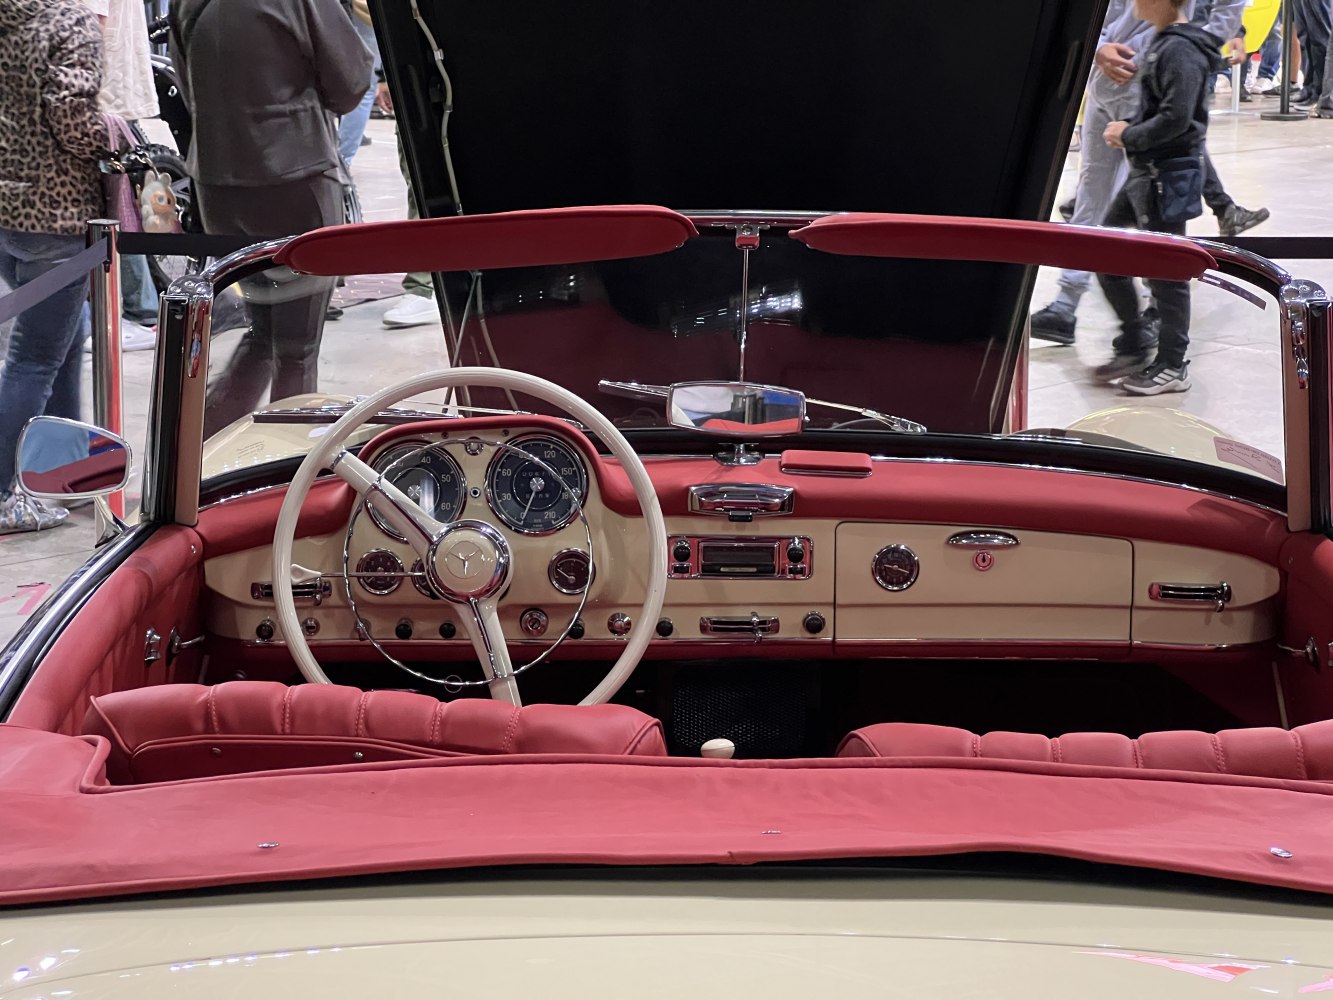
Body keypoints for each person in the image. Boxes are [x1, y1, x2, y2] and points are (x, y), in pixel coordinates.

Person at [168, 0, 372, 438]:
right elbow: (351, 81)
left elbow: (187, 87)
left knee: (262, 331)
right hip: (296, 174)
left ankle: (199, 450)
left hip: (217, 180)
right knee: (297, 348)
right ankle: (285, 463)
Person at [1030, 0, 1265, 347]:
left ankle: (1155, 313)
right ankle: (1068, 304)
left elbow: (1230, 6)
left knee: (1153, 208)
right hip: (1102, 85)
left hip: (1151, 88)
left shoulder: (1174, 49)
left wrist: (1187, 46)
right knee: (1093, 194)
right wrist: (1097, 47)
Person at [0, 0, 110, 533]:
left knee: (66, 337)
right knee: (35, 358)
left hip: (8, 208)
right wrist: (116, 135)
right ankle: (3, 494)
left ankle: (68, 472)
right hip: (55, 211)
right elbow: (72, 116)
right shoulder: (70, 23)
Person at [1096, 0, 1227, 395]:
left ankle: (1172, 364)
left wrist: (1128, 134)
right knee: (1103, 248)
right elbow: (1162, 109)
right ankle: (1135, 341)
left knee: (1167, 273)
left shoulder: (1180, 49)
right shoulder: (1165, 42)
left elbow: (1178, 118)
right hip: (1147, 172)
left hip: (1164, 176)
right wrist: (1131, 129)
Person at [83, 0, 160, 351]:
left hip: (99, 99)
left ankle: (138, 310)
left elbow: (90, 27)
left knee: (111, 207)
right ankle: (139, 308)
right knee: (118, 204)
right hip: (110, 93)